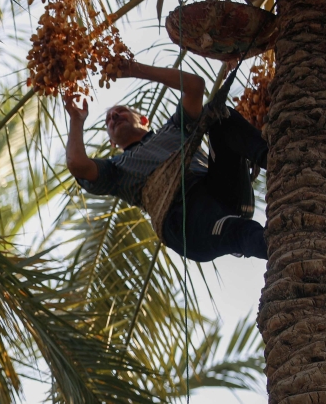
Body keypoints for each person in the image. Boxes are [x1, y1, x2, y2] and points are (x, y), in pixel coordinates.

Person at [64, 59, 269, 262]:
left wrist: (136, 69)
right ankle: (286, 244)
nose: (114, 116)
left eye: (120, 111)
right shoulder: (115, 169)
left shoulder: (175, 127)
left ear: (144, 120)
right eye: (108, 120)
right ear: (111, 142)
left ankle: (273, 159)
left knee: (220, 115)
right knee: (241, 232)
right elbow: (77, 165)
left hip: (221, 190)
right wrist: (76, 120)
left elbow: (195, 87)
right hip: (183, 220)